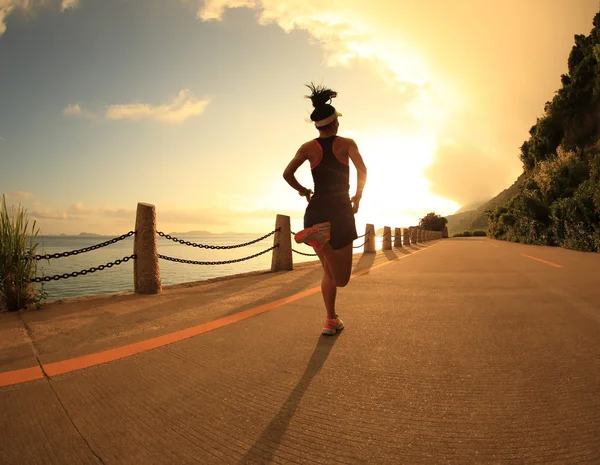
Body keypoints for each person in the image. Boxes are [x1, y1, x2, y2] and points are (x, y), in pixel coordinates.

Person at [283, 83, 367, 336]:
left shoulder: (308, 147)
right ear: (335, 123)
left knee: (328, 272)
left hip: (316, 212)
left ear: (319, 126)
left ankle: (330, 320)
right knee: (342, 278)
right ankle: (326, 245)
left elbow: (287, 174)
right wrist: (357, 197)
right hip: (339, 212)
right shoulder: (347, 143)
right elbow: (362, 171)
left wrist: (302, 190)